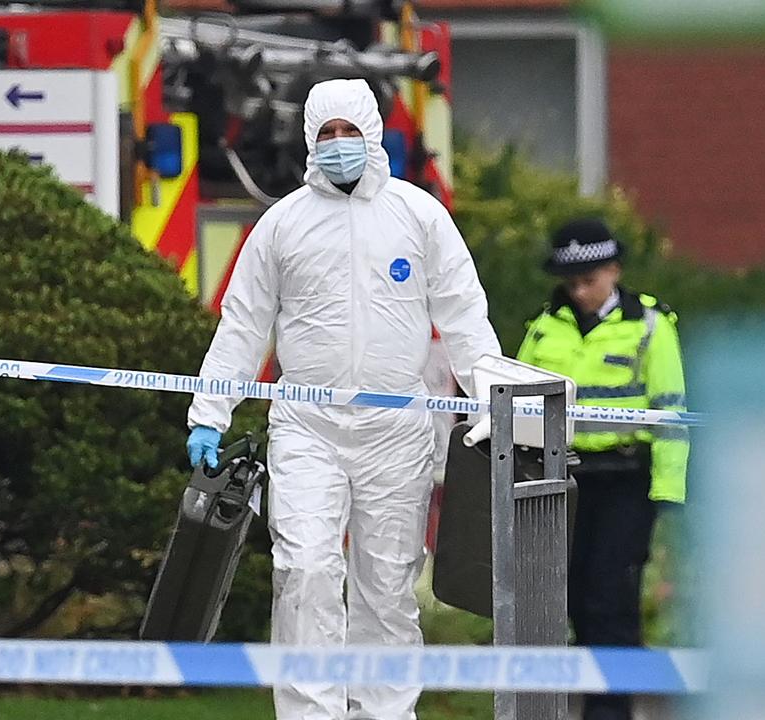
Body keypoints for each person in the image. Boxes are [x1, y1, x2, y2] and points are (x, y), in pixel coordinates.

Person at [185, 78, 501, 720]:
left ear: (372, 133)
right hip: (308, 429)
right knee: (303, 572)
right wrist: (209, 413)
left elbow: (464, 315)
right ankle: (311, 712)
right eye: (324, 134)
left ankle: (386, 712)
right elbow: (243, 325)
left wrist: (491, 397)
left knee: (387, 589)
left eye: (347, 132)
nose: (337, 146)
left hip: (397, 432)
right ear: (308, 139)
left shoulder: (418, 216)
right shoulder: (283, 225)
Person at [516, 217, 688, 720]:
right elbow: (518, 397)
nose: (579, 291)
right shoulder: (545, 325)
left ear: (613, 271)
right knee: (566, 594)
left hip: (625, 480)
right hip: (561, 478)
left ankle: (610, 713)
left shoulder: (650, 326)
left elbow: (671, 412)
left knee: (611, 597)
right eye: (571, 282)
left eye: (589, 279)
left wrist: (668, 490)